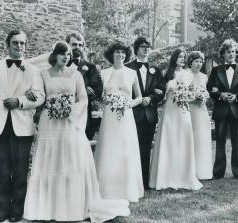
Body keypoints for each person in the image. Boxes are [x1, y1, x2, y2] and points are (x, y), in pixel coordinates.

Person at [23, 41, 130, 222]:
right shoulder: (42, 74)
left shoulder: (76, 75)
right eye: (61, 53)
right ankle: (47, 207)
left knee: (70, 161)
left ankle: (71, 206)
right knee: (51, 161)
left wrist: (68, 109)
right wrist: (31, 94)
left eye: (68, 54)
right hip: (50, 122)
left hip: (70, 122)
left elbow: (83, 100)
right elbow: (41, 97)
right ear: (54, 55)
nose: (65, 57)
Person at [0, 30, 45, 223]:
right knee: (1, 171)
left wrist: (20, 101)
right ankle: (0, 212)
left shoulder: (32, 69)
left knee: (21, 171)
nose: (19, 46)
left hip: (22, 126)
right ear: (7, 44)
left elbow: (40, 97)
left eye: (22, 43)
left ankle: (17, 212)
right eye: (15, 43)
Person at [94, 41, 144, 202]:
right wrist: (110, 100)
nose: (120, 55)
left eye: (123, 52)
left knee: (125, 149)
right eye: (117, 52)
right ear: (111, 54)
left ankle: (127, 189)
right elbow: (100, 96)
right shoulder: (103, 73)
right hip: (109, 116)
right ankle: (106, 189)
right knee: (109, 148)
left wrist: (128, 103)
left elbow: (139, 97)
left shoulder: (132, 73)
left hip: (126, 116)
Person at [149, 48, 203, 190]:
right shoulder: (167, 74)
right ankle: (165, 177)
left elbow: (192, 94)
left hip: (183, 111)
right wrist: (163, 92)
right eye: (180, 57)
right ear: (174, 58)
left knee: (182, 139)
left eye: (184, 57)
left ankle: (183, 176)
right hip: (170, 111)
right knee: (169, 139)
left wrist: (188, 96)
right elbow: (160, 94)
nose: (182, 59)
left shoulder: (188, 74)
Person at [207, 39, 238, 180]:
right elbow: (210, 87)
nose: (231, 54)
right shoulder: (216, 70)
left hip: (236, 110)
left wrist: (237, 96)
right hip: (221, 110)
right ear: (223, 54)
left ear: (236, 53)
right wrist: (220, 95)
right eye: (228, 52)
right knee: (220, 142)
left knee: (236, 142)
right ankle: (218, 173)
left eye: (233, 51)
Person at [125, 37, 165, 190]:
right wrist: (138, 99)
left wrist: (151, 98)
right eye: (142, 46)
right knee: (131, 147)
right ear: (136, 48)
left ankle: (145, 182)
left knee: (146, 148)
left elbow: (161, 91)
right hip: (133, 113)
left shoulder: (155, 70)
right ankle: (131, 182)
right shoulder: (128, 67)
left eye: (148, 46)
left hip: (150, 114)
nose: (146, 49)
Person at [65, 32, 103, 140]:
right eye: (74, 44)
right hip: (62, 111)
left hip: (83, 112)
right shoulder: (60, 66)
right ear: (67, 45)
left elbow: (98, 89)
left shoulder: (90, 67)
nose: (77, 47)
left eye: (80, 45)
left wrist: (82, 92)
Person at [187, 51, 213, 180]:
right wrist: (193, 97)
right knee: (190, 138)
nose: (199, 64)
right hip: (189, 110)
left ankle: (202, 171)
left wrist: (204, 96)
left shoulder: (204, 76)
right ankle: (189, 170)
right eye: (196, 61)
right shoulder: (185, 75)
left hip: (201, 110)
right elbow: (182, 94)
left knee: (201, 138)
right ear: (190, 62)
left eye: (201, 61)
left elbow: (206, 91)